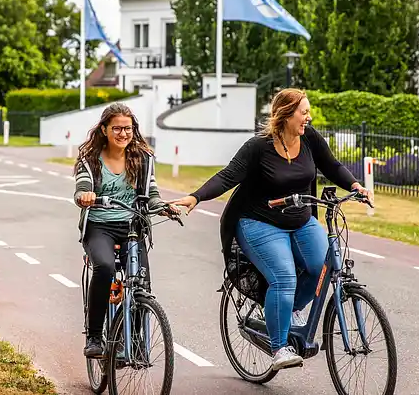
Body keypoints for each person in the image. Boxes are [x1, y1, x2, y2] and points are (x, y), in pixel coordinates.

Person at [168, 88, 372, 369]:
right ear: (286, 114)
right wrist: (195, 197)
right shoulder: (258, 146)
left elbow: (332, 165)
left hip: (300, 219)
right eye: (304, 112)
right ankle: (279, 347)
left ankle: (290, 309)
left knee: (322, 266)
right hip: (258, 221)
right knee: (284, 277)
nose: (308, 117)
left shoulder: (309, 138)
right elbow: (228, 175)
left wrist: (355, 185)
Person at [73, 102, 179, 358]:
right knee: (106, 268)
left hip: (133, 227)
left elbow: (151, 194)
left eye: (128, 128)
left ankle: (136, 342)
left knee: (141, 282)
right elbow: (81, 186)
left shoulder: (143, 159)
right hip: (99, 227)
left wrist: (162, 207)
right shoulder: (89, 160)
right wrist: (85, 195)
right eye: (117, 128)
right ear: (104, 130)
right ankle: (95, 337)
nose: (123, 134)